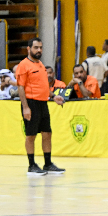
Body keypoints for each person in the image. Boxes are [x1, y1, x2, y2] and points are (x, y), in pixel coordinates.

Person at [15, 38, 65, 176]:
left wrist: (54, 97)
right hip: (31, 103)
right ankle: (31, 165)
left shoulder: (41, 64)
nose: (39, 50)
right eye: (36, 47)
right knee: (31, 135)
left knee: (47, 133)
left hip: (43, 103)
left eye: (41, 47)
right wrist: (25, 107)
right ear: (28, 49)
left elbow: (43, 87)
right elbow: (20, 87)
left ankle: (47, 164)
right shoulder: (23, 65)